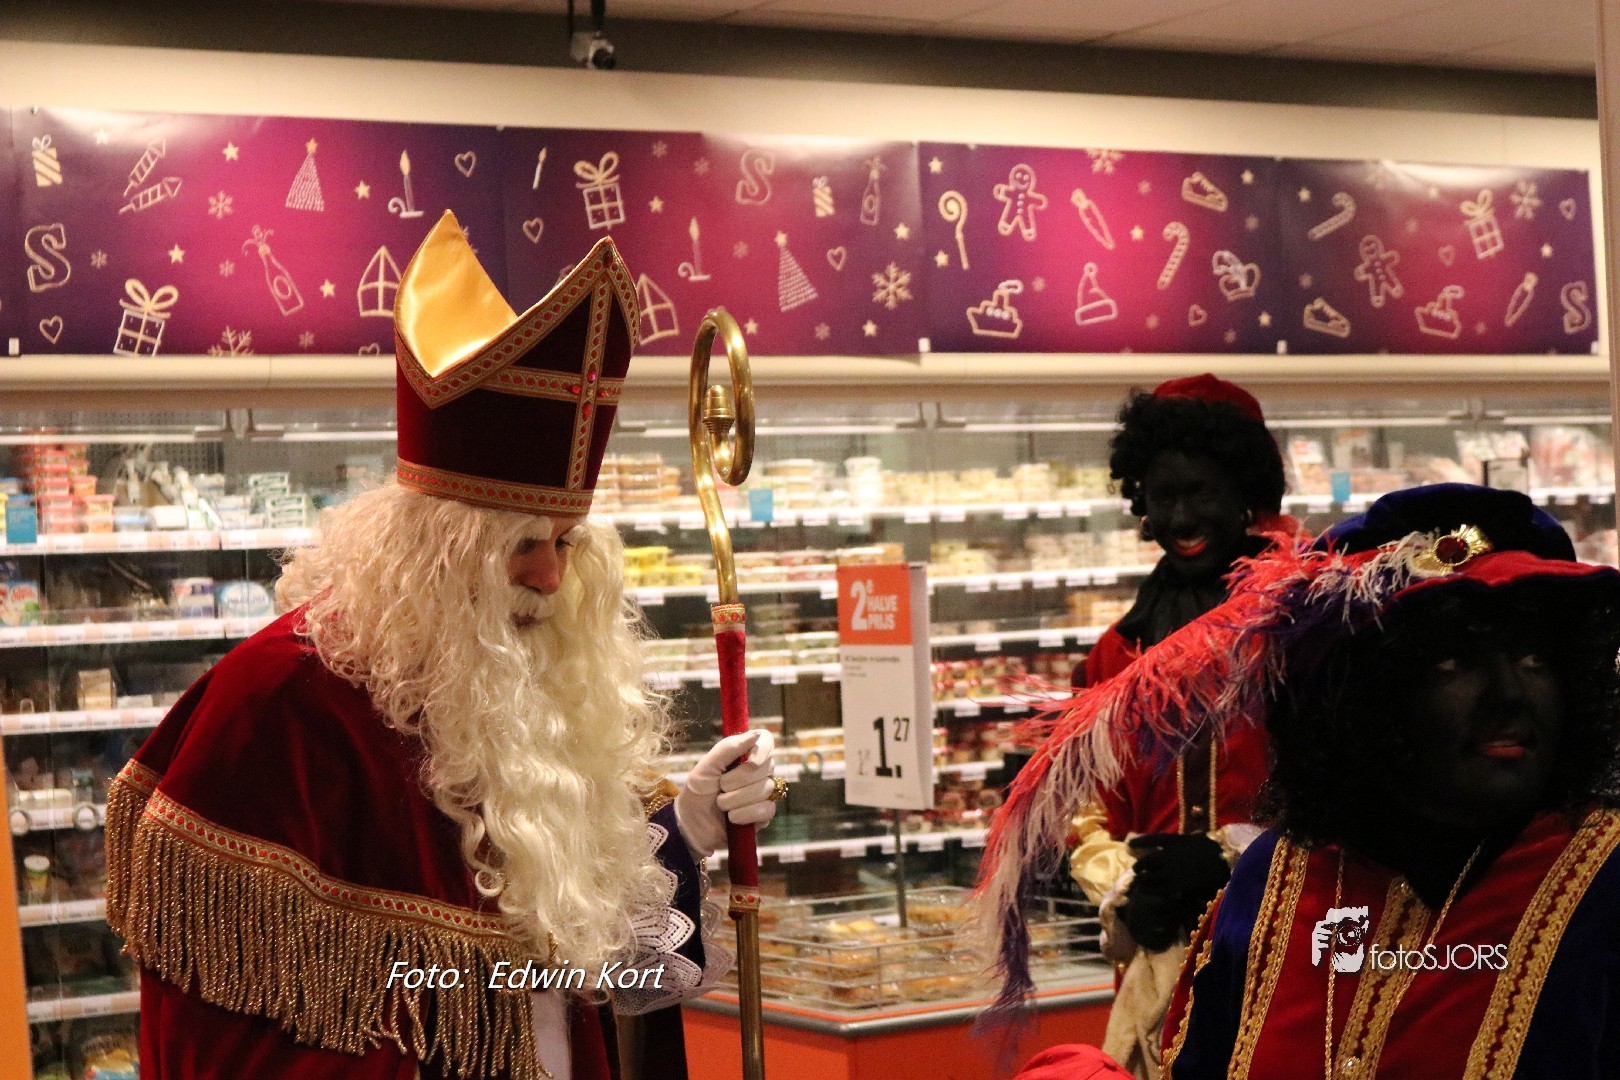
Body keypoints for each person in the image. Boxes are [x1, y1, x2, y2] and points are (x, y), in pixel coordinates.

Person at [105, 212, 783, 1080]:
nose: (550, 578)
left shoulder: (519, 687)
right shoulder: (284, 699)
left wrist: (684, 829)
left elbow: (583, 973)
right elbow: (217, 1031)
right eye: (522, 546)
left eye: (566, 543)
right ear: (432, 553)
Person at [982, 483, 1620, 1078]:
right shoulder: (1274, 880)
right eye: (1453, 663)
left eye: (1535, 659)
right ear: (1362, 697)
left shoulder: (1605, 885)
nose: (1510, 694)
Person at [1064, 375, 1288, 1078]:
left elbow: (1348, 784)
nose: (1183, 517)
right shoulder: (1116, 649)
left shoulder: (1300, 625)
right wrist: (1127, 888)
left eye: (1203, 493)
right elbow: (1085, 802)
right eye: (1164, 496)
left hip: (1281, 938)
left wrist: (1235, 859)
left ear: (1246, 494)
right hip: (1155, 949)